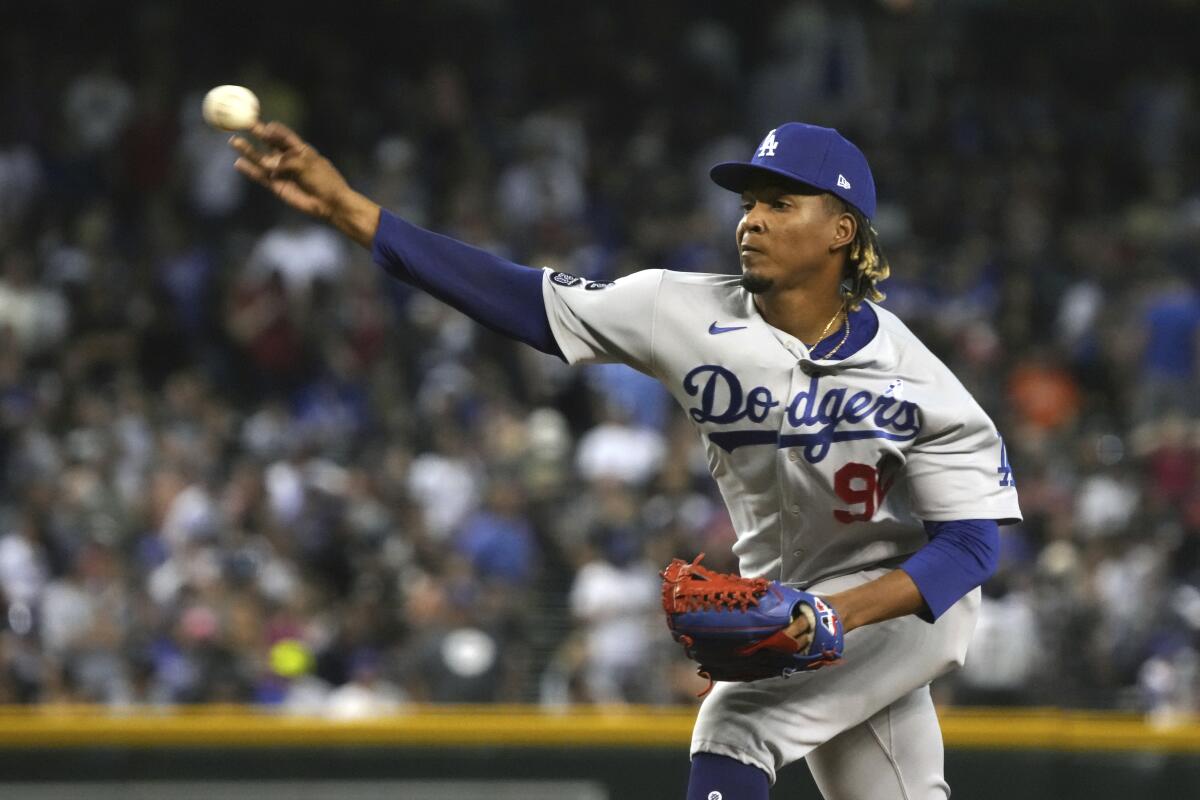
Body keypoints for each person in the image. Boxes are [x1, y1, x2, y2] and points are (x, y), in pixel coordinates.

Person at [230, 120, 1021, 800]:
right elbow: (521, 299)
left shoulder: (919, 380)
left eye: (780, 203)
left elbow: (973, 546)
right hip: (798, 608)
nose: (750, 220)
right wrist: (347, 207)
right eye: (748, 202)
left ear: (842, 229)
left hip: (905, 605)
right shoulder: (677, 310)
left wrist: (832, 615)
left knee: (738, 721)